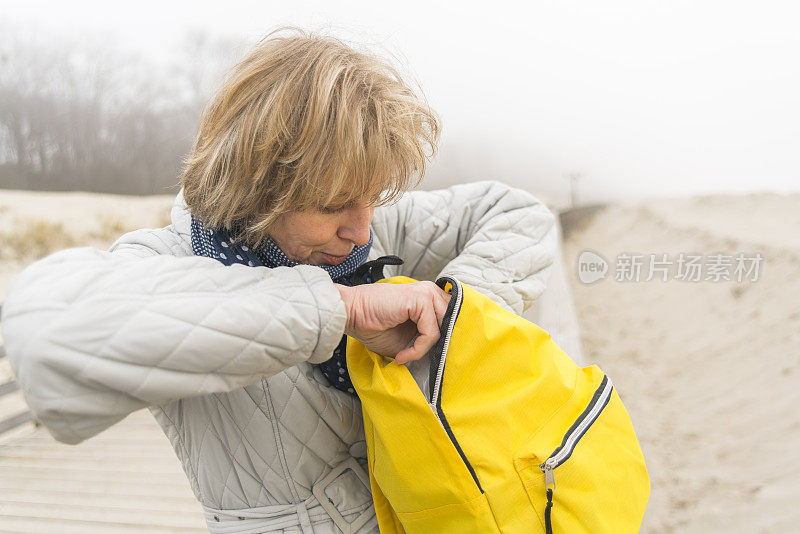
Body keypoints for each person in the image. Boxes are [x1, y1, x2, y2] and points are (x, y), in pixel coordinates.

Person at [0, 26, 557, 533]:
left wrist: (456, 315)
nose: (362, 229)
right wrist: (339, 311)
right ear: (259, 186)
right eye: (335, 203)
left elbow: (520, 215)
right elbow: (43, 336)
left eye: (375, 196)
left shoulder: (370, 226)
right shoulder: (167, 262)